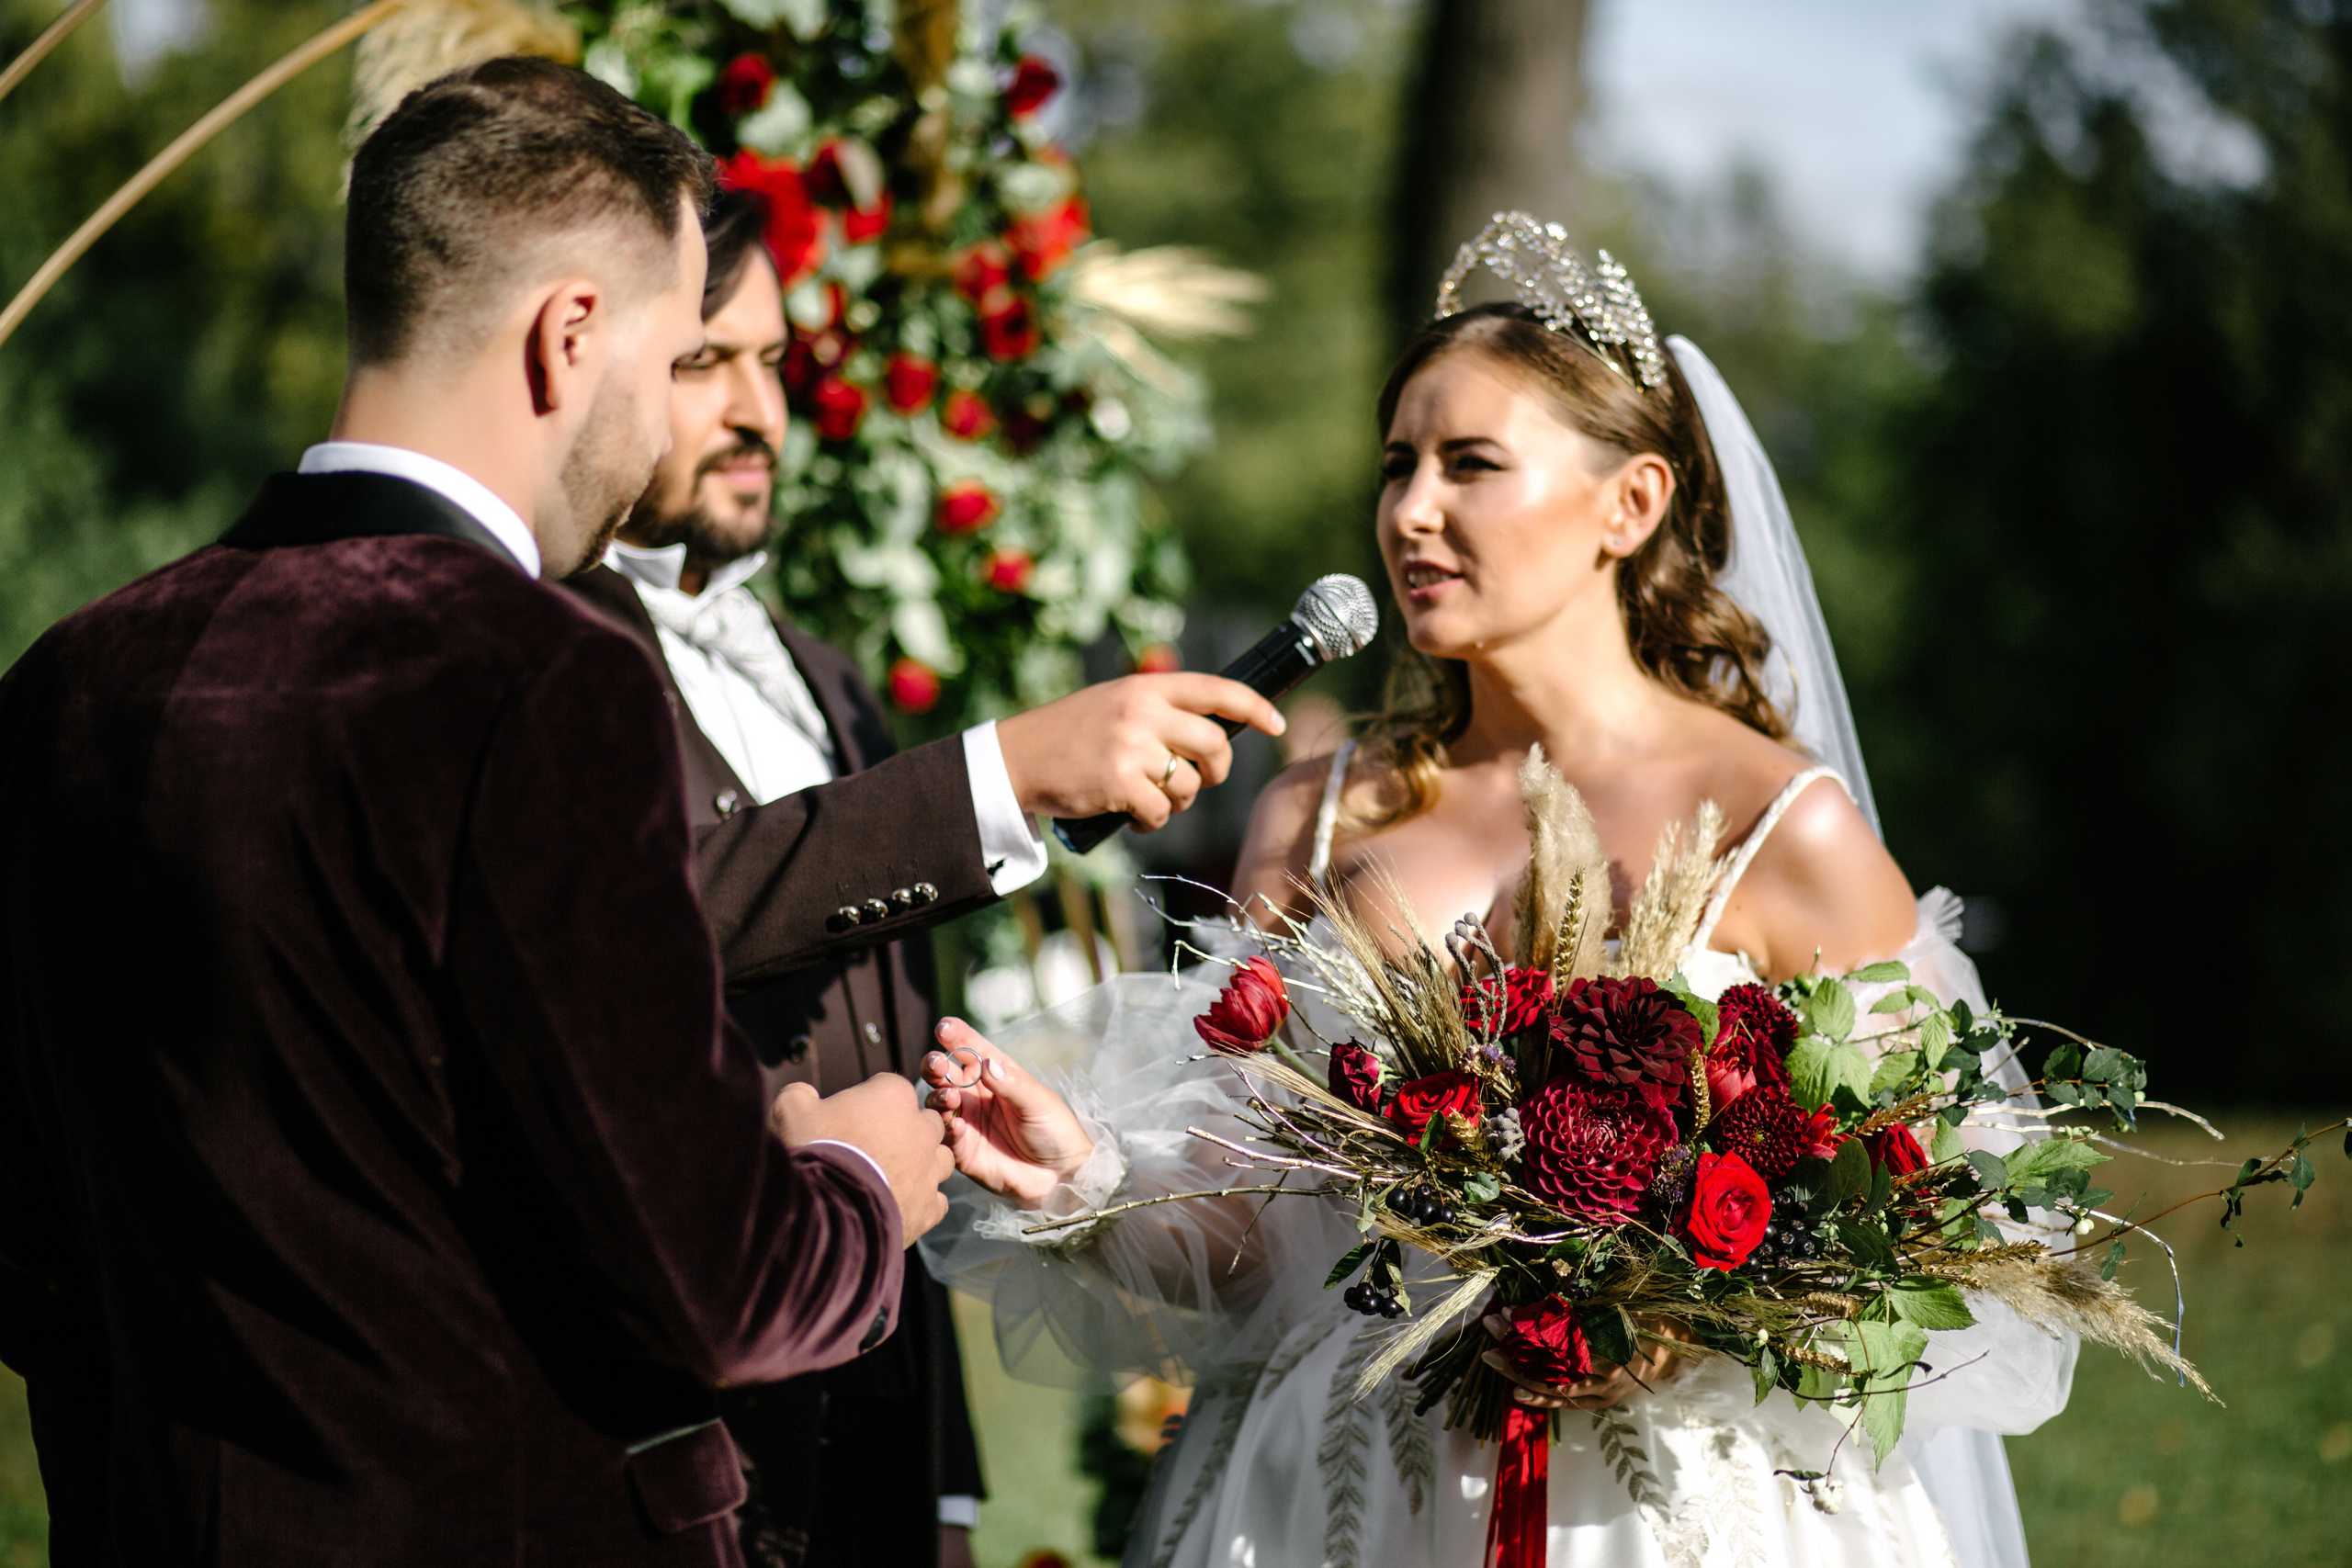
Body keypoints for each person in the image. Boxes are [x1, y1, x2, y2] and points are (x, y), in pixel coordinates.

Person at [915, 219, 2076, 1568]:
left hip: (1660, 1509)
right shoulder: (1319, 812)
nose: (1411, 511)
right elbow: (1259, 1249)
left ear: (1630, 505)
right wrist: (1088, 1178)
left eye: (1470, 464)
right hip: (1337, 1489)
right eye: (1397, 465)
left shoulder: (1780, 824)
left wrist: (1684, 1319)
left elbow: (1942, 1227)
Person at [2, 58, 951, 1566]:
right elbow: (717, 1286)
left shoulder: (70, 675)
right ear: (571, 334)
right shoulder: (533, 677)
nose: (662, 429)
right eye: (674, 358)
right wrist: (858, 1185)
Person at [560, 188, 989, 1568]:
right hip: (682, 1438)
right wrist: (1006, 781)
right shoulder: (544, 656)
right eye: (706, 363)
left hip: (878, 1425)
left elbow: (906, 1065)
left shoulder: (830, 680)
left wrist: (951, 1487)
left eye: (774, 362)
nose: (760, 413)